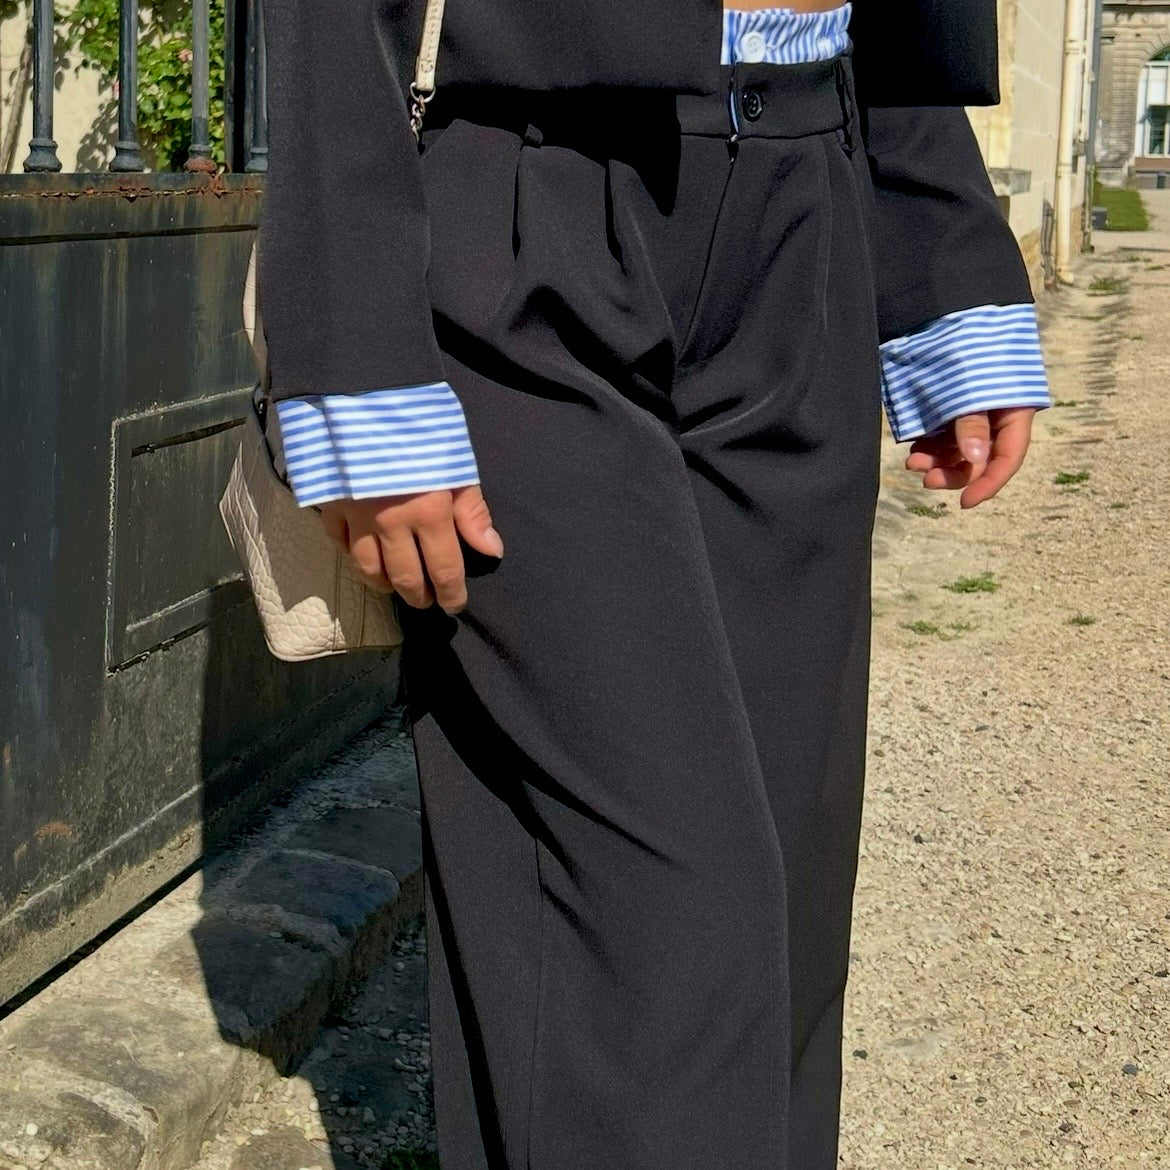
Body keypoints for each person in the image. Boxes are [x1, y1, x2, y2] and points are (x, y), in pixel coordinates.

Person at [257, 0, 1051, 1165]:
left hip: (810, 185)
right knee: (670, 920)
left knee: (783, 921)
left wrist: (939, 239)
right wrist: (353, 350)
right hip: (532, 202)